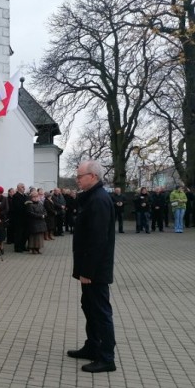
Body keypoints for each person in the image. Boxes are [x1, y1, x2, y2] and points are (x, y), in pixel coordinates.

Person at [67, 160, 116, 373]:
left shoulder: (99, 200)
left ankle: (107, 357)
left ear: (93, 177)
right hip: (89, 267)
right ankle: (92, 346)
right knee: (88, 307)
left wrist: (87, 272)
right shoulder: (91, 198)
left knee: (100, 311)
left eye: (80, 176)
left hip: (95, 270)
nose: (77, 179)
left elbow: (98, 240)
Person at [11, 183, 28, 252]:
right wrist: (25, 206)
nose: (24, 188)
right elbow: (17, 207)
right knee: (19, 233)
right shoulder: (16, 196)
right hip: (19, 218)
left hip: (25, 218)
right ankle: (17, 247)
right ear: (18, 188)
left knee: (25, 233)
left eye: (24, 187)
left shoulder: (25, 195)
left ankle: (23, 246)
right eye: (22, 187)